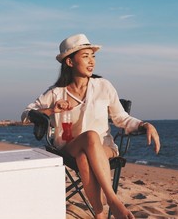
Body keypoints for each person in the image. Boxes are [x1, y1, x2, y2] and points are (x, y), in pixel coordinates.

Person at [21, 34, 161, 219]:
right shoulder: (56, 93)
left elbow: (121, 118)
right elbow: (26, 114)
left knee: (85, 155)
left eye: (93, 56)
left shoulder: (103, 86)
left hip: (104, 149)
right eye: (85, 56)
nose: (91, 61)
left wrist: (144, 125)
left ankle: (99, 214)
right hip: (69, 147)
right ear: (70, 62)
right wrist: (51, 110)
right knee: (89, 137)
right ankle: (112, 199)